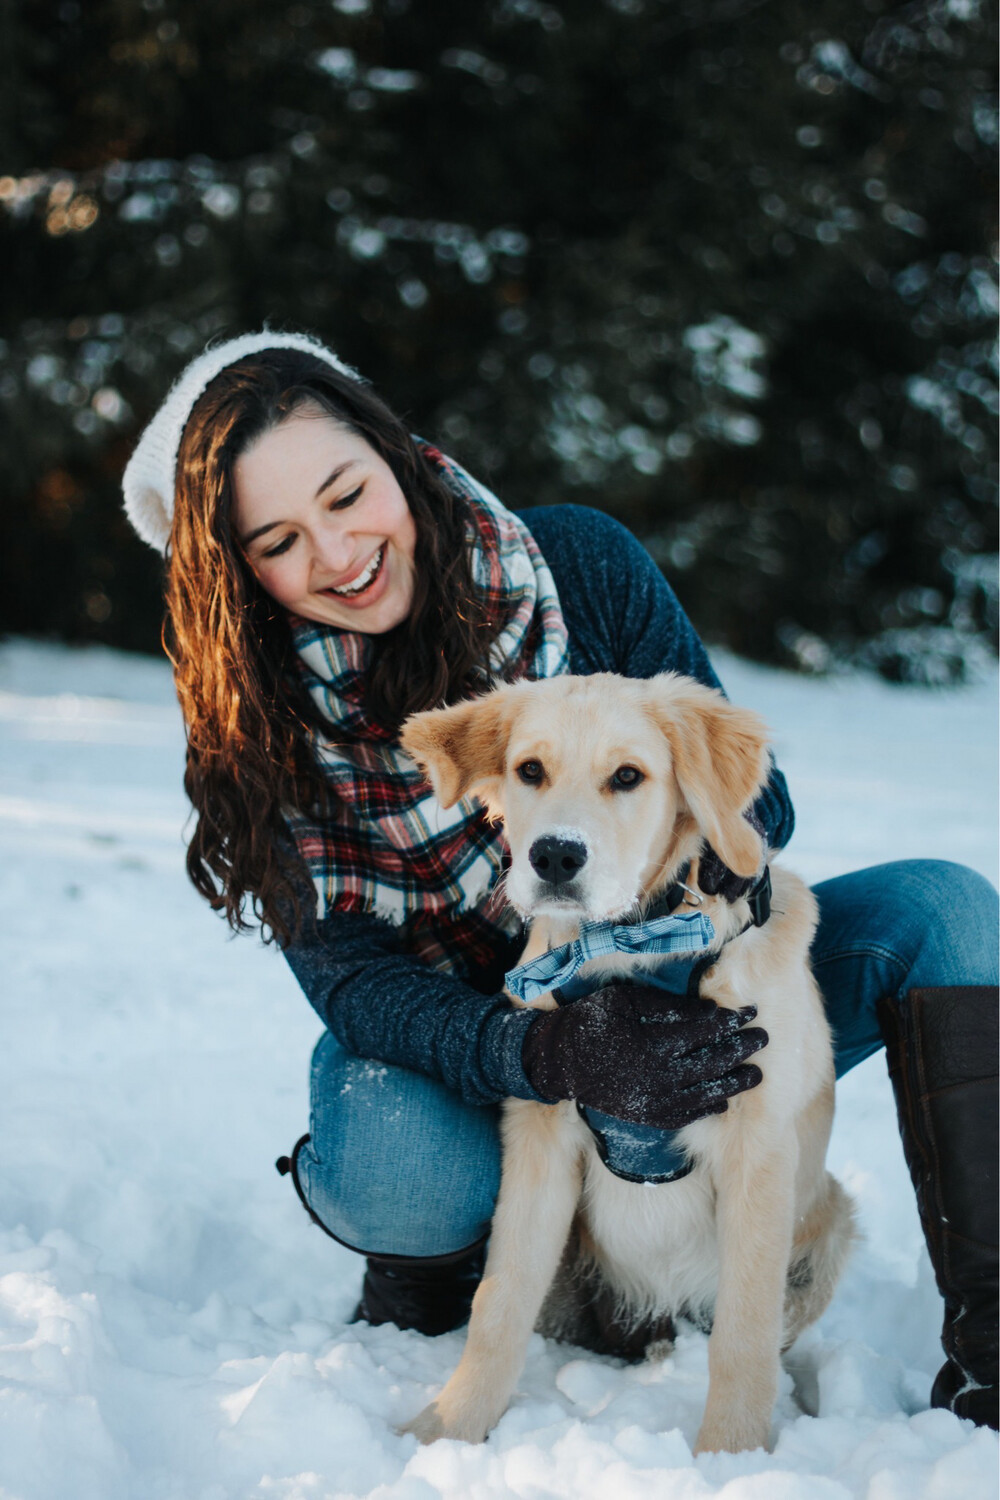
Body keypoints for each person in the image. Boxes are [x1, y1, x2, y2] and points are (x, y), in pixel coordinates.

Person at [122, 330, 998, 1427]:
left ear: (394, 454)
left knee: (949, 913)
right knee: (391, 1148)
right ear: (238, 569)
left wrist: (650, 958)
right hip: (487, 1043)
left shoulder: (574, 562)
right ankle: (434, 1270)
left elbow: (752, 814)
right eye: (281, 542)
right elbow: (352, 987)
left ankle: (993, 1350)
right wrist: (549, 1049)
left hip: (681, 958)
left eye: (348, 494)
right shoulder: (267, 724)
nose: (340, 552)